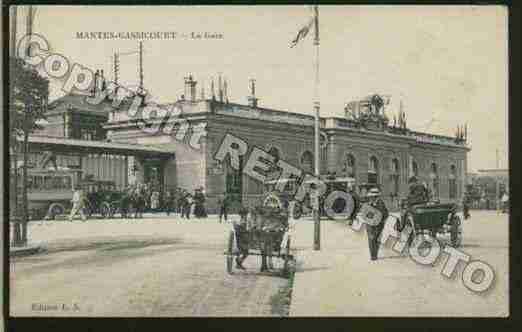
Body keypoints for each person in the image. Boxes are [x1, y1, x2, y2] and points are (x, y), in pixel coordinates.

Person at [364, 188, 388, 261]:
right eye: (371, 196)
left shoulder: (381, 203)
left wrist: (381, 220)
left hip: (379, 224)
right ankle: (373, 255)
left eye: (374, 196)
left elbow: (386, 213)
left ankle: (375, 254)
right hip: (370, 224)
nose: (372, 198)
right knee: (371, 239)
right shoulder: (368, 204)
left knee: (376, 239)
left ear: (377, 196)